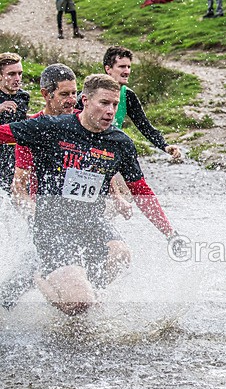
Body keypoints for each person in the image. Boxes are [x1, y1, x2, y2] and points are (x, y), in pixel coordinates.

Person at [0, 74, 179, 316]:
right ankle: (40, 276)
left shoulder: (120, 143)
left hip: (91, 222)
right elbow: (3, 134)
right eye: (104, 103)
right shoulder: (53, 127)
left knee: (120, 255)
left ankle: (84, 287)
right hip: (53, 226)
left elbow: (141, 191)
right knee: (77, 305)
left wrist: (169, 232)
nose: (110, 111)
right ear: (84, 100)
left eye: (115, 105)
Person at [79, 47, 182, 160]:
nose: (127, 71)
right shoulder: (92, 92)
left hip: (108, 152)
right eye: (122, 67)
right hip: (81, 150)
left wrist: (165, 146)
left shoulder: (128, 95)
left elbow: (144, 126)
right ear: (108, 69)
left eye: (129, 67)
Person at [0, 53, 29, 195]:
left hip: (15, 154)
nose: (17, 79)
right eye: (11, 74)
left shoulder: (23, 96)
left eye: (20, 74)